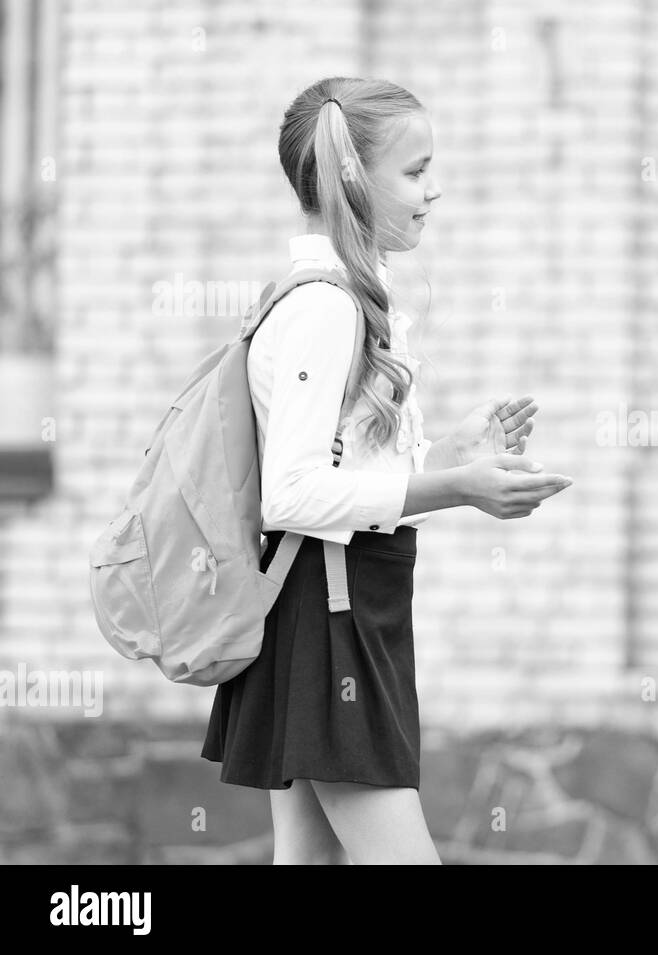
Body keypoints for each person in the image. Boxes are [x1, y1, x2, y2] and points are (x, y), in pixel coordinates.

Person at [201, 77, 572, 864]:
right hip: (328, 619)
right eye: (415, 170)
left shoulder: (334, 301)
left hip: (333, 607)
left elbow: (350, 475)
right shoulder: (327, 308)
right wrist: (457, 489)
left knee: (306, 859)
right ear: (352, 178)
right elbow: (292, 492)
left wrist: (449, 456)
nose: (434, 190)